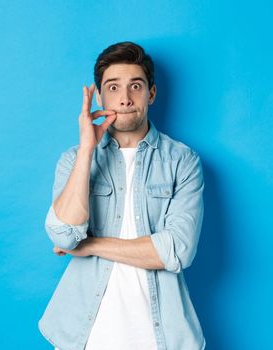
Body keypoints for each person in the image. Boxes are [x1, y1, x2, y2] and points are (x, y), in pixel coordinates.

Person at [38, 42, 206, 350]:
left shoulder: (183, 161)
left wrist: (88, 245)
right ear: (100, 97)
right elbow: (63, 236)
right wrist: (88, 149)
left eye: (136, 87)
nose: (125, 99)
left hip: (161, 338)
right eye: (113, 88)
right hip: (84, 335)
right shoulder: (73, 160)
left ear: (151, 94)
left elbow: (178, 251)